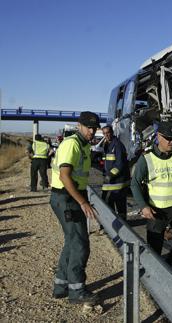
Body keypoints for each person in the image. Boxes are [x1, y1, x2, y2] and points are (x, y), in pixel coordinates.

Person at [50, 111, 100, 305]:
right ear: (79, 125)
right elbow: (65, 176)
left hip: (69, 197)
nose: (92, 131)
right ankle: (77, 292)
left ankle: (61, 287)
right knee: (80, 245)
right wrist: (83, 202)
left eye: (94, 128)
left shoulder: (84, 145)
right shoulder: (72, 144)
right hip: (67, 198)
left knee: (72, 242)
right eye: (89, 127)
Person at [130, 121, 172, 269]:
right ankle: (155, 273)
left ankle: (169, 267)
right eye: (169, 138)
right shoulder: (146, 158)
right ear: (158, 136)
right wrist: (144, 207)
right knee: (154, 249)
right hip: (156, 211)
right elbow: (135, 184)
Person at [101, 126, 129, 220]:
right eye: (104, 133)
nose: (106, 135)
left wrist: (110, 175)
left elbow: (119, 164)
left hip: (117, 183)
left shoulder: (117, 145)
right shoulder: (107, 145)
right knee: (107, 204)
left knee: (119, 206)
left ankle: (123, 226)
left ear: (112, 132)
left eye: (108, 132)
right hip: (110, 182)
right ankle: (111, 225)